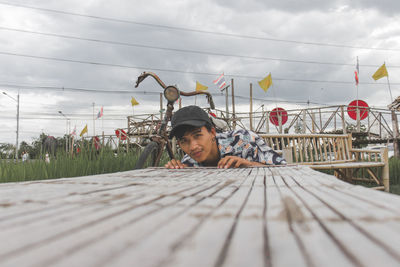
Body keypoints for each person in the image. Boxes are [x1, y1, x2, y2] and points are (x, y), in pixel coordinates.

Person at [165, 105, 286, 169]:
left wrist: (248, 165)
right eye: (184, 141)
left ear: (212, 132)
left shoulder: (245, 140)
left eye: (197, 135)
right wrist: (178, 170)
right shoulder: (188, 163)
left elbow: (283, 169)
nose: (193, 146)